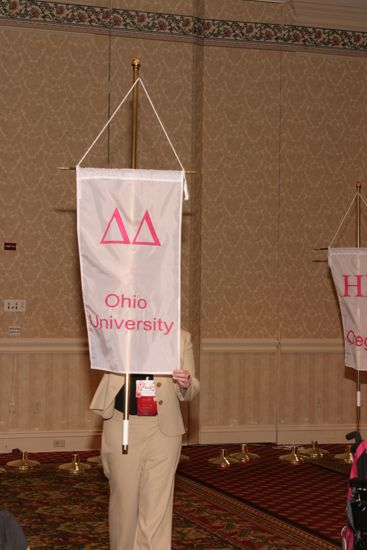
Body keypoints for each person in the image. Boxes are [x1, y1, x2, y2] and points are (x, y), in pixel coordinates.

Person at [90, 329, 200, 550]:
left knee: (157, 510)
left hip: (163, 430)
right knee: (125, 505)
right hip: (123, 426)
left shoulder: (181, 337)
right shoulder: (116, 330)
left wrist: (185, 383)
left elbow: (192, 388)